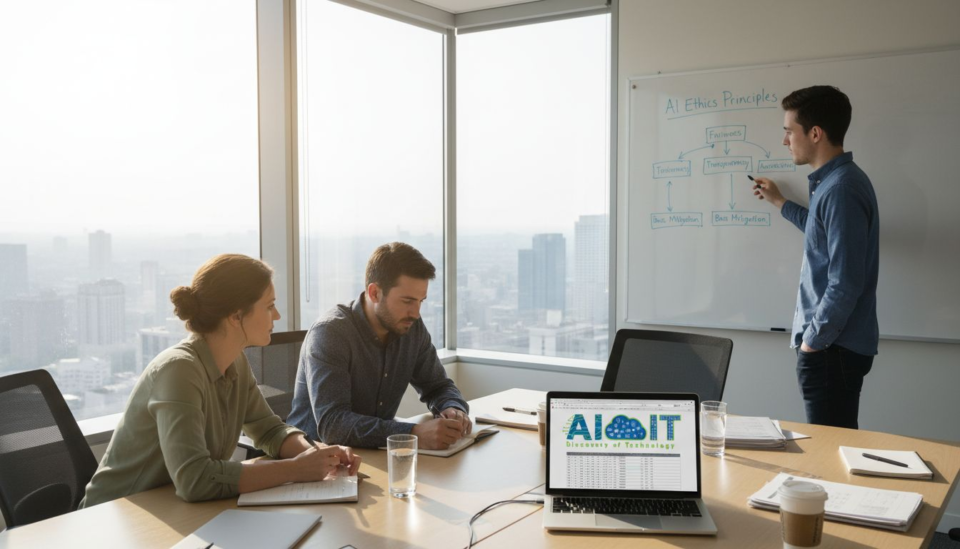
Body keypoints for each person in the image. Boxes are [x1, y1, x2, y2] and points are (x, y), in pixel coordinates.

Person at [80, 254, 361, 508]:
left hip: (172, 510)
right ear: (236, 316)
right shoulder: (179, 370)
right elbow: (195, 480)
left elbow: (269, 431)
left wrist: (319, 456)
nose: (277, 316)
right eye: (269, 306)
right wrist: (296, 470)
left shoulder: (235, 362)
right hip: (114, 518)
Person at [753, 85, 879, 429]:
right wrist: (780, 202)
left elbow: (845, 282)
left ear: (815, 133)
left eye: (788, 131)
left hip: (830, 349)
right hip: (832, 348)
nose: (784, 141)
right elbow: (819, 229)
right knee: (834, 450)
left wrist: (812, 343)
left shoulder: (840, 189)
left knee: (831, 455)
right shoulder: (836, 184)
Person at [288, 242, 471, 450]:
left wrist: (452, 408)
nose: (416, 313)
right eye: (407, 301)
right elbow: (333, 426)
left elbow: (438, 386)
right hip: (312, 460)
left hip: (372, 454)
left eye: (421, 301)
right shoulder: (331, 333)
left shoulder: (411, 328)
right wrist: (413, 433)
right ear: (374, 293)